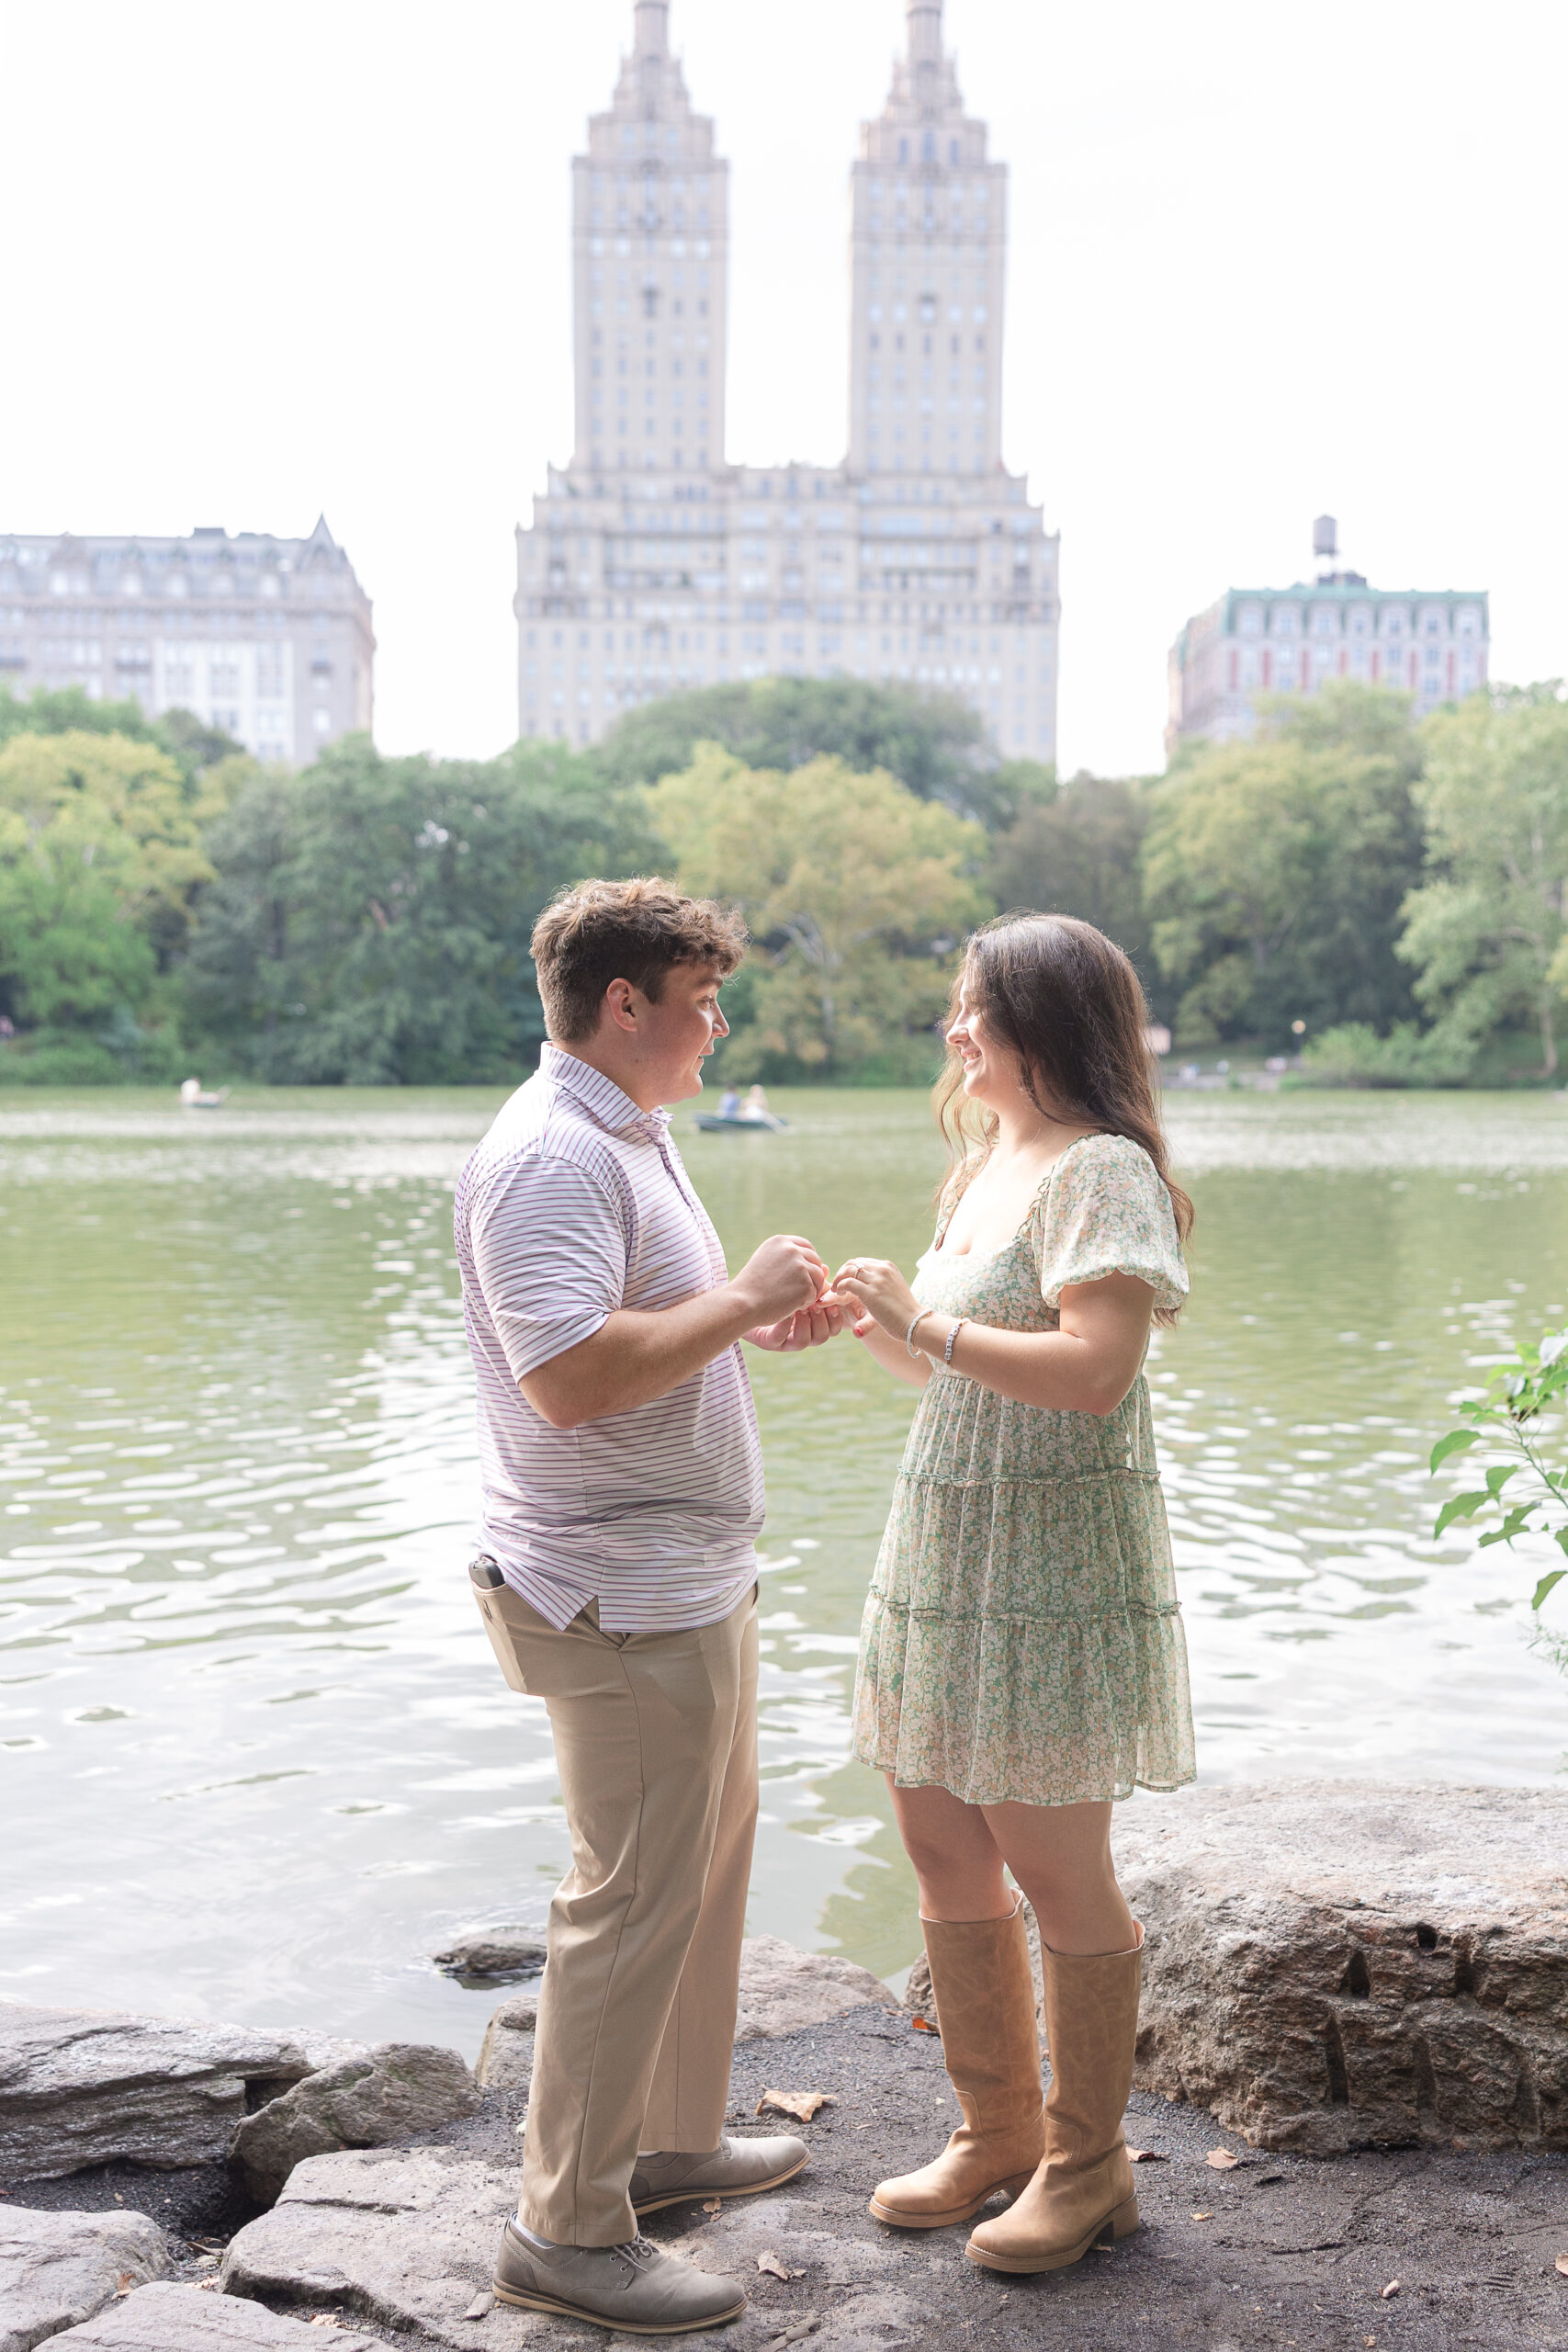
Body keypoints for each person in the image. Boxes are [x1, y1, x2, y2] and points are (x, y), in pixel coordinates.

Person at [455, 877, 845, 2334]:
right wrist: (741, 1303)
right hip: (615, 1596)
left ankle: (668, 2145)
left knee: (698, 1875)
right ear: (626, 1005)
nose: (720, 1022)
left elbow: (644, 1336)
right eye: (703, 999)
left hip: (687, 1581)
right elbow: (565, 1381)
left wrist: (749, 1325)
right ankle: (565, 2231)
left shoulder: (631, 1131)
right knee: (622, 1904)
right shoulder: (551, 1153)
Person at [831, 912, 1195, 2279]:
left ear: (1042, 1022)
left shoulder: (1101, 1171)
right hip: (943, 1542)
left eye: (973, 1007)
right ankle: (994, 2134)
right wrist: (876, 1324)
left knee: (1056, 1871)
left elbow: (1095, 1370)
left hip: (1051, 1562)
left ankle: (1089, 2169)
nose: (952, 1030)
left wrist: (922, 1320)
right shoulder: (983, 1163)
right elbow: (954, 1377)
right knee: (936, 1842)